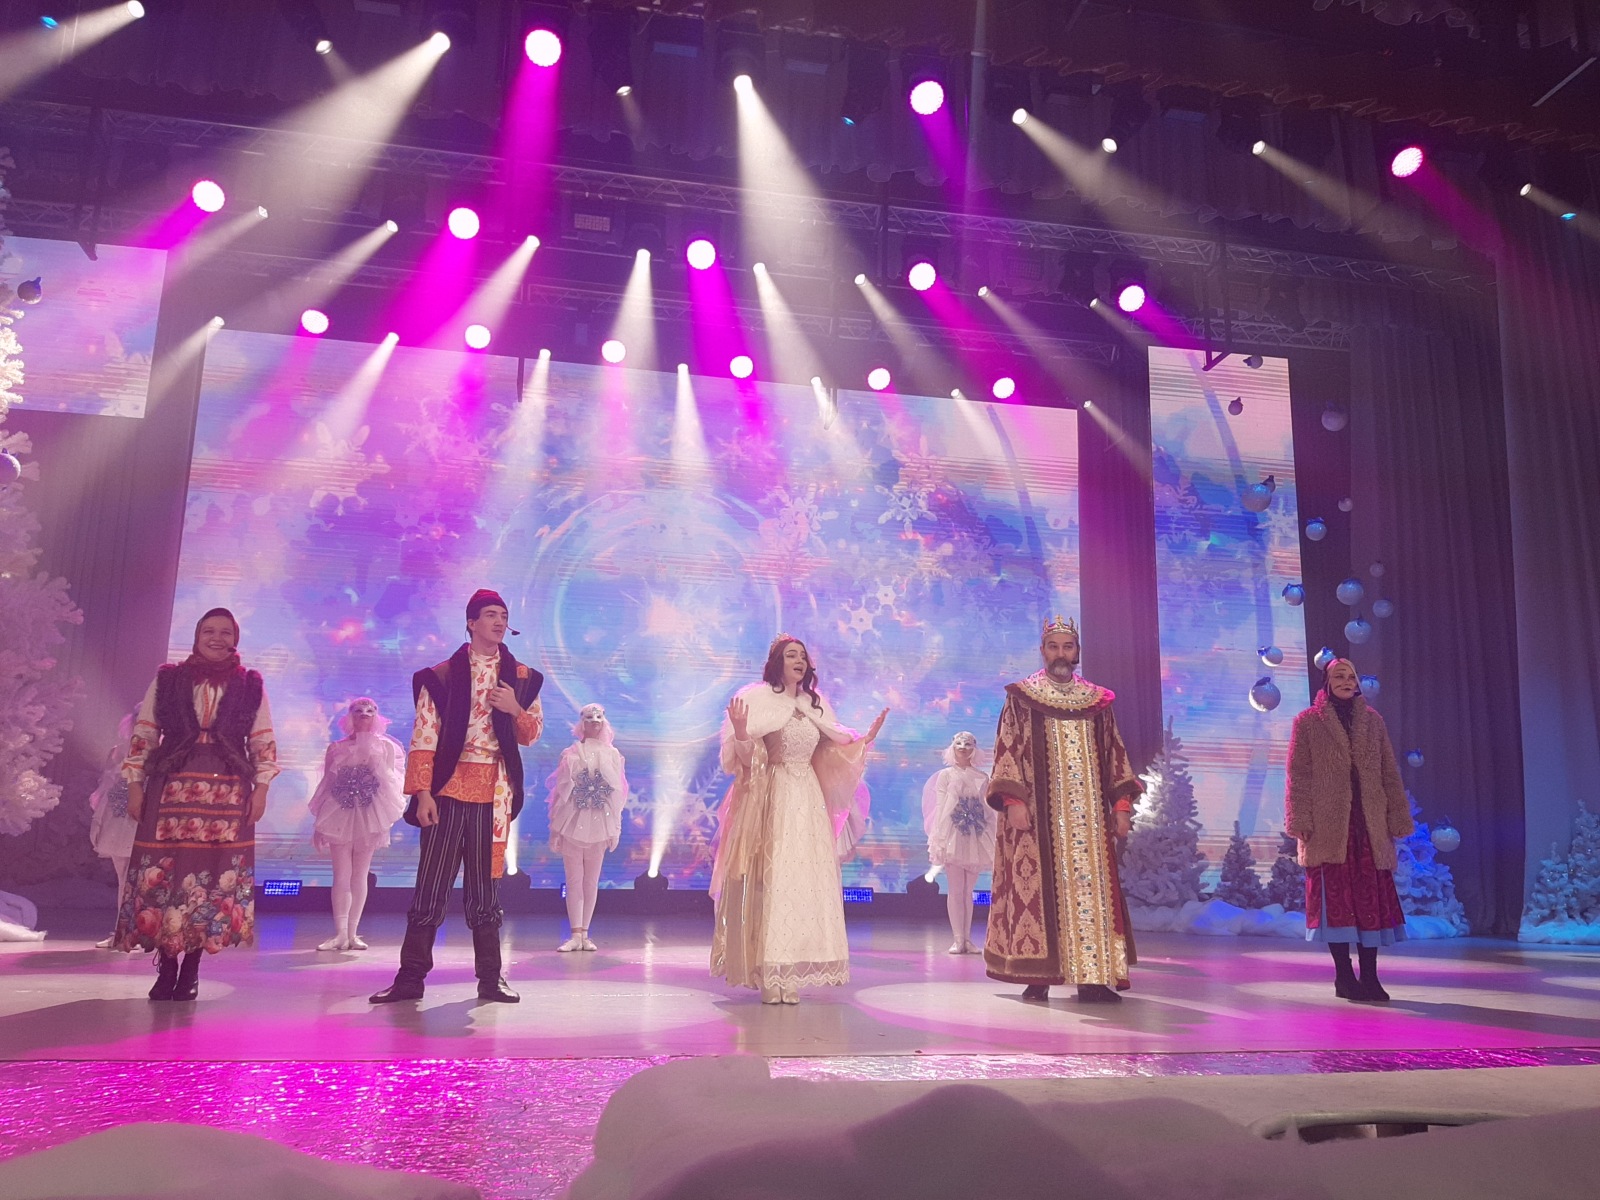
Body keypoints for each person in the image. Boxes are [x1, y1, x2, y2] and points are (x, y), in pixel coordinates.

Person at [370, 589, 543, 1005]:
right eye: (490, 615)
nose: (499, 622)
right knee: (431, 886)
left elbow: (532, 733)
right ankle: (410, 978)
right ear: (471, 622)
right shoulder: (442, 675)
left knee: (485, 891)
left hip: (493, 792)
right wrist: (423, 793)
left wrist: (514, 708)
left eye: (503, 615)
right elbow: (424, 737)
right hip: (447, 791)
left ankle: (491, 979)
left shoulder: (521, 677)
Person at [113, 608, 279, 1001]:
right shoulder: (168, 679)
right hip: (171, 786)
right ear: (197, 636)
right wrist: (135, 785)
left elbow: (262, 741)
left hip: (227, 791)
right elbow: (145, 733)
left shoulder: (250, 683)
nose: (217, 638)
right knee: (168, 876)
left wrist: (261, 789)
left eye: (225, 632)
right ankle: (166, 966)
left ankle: (191, 969)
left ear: (235, 639)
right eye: (209, 631)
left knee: (209, 880)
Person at [711, 635, 886, 1004]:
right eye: (792, 655)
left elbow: (834, 751)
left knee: (801, 884)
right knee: (774, 881)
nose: (799, 661)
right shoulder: (759, 701)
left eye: (803, 656)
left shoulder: (813, 704)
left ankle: (787, 972)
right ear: (777, 662)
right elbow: (744, 761)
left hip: (807, 799)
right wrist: (741, 731)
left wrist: (863, 740)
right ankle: (768, 972)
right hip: (772, 797)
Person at [984, 616, 1142, 1003]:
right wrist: (1014, 801)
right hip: (1037, 817)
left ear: (1077, 653)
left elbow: (1115, 753)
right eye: (1053, 646)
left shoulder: (1097, 701)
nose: (1060, 653)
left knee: (1091, 894)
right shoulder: (1023, 697)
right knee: (1037, 894)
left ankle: (1092, 979)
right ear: (1043, 651)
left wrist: (1121, 805)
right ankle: (1037, 976)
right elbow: (1007, 750)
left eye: (1067, 647)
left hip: (1089, 821)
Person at [1285, 657, 1413, 1002]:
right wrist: (1299, 819)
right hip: (1329, 824)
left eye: (1351, 677)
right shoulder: (1308, 722)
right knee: (1338, 902)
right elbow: (1298, 774)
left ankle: (1370, 976)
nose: (1346, 681)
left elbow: (1389, 771)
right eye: (1338, 676)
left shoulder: (1372, 721)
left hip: (1368, 823)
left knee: (1369, 902)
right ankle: (1344, 976)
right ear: (1327, 682)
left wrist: (1398, 816)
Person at [307, 697, 407, 952]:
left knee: (360, 873)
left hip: (369, 813)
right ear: (350, 716)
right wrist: (319, 823)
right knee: (341, 873)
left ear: (377, 716)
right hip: (339, 812)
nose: (364, 714)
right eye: (358, 710)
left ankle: (352, 933)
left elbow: (390, 784)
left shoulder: (385, 747)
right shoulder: (336, 748)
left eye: (370, 710)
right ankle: (340, 933)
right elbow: (327, 785)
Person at [547, 703, 627, 952]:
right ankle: (575, 934)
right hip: (573, 821)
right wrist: (556, 828)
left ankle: (584, 933)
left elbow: (617, 793)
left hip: (600, 823)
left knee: (591, 881)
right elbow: (560, 793)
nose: (594, 723)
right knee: (574, 880)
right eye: (589, 719)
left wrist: (615, 827)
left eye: (598, 719)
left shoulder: (612, 755)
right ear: (582, 724)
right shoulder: (571, 753)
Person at [922, 731, 996, 954]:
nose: (963, 747)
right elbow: (941, 807)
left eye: (968, 744)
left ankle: (968, 939)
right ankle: (957, 939)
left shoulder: (982, 777)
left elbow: (987, 809)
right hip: (953, 834)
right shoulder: (945, 776)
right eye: (959, 744)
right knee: (955, 889)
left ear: (974, 749)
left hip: (975, 834)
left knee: (967, 891)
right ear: (953, 747)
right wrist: (939, 835)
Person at [89, 711, 140, 949]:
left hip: (142, 817)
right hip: (119, 817)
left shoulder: (159, 753)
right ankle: (125, 930)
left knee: (134, 878)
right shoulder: (118, 750)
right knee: (124, 877)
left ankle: (131, 931)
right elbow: (108, 782)